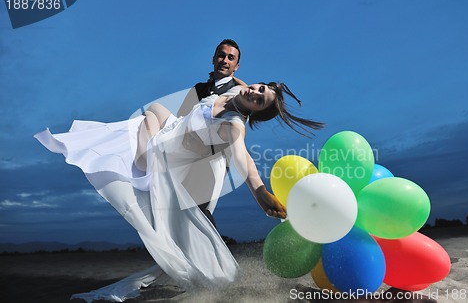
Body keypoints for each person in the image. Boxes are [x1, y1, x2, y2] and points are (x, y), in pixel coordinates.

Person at [34, 82, 324, 302]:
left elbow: (241, 157)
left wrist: (259, 190)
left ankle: (146, 167)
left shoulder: (235, 125)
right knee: (151, 112)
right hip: (164, 129)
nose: (255, 93)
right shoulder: (235, 88)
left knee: (135, 166)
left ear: (256, 112)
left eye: (260, 101)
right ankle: (144, 159)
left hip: (165, 158)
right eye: (260, 88)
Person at [177, 39, 246, 227]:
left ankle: (214, 254)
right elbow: (180, 119)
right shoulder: (198, 89)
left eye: (230, 58)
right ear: (213, 59)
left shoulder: (239, 91)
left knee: (199, 208)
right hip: (185, 156)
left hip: (215, 157)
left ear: (236, 66)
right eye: (221, 55)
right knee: (177, 208)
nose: (225, 60)